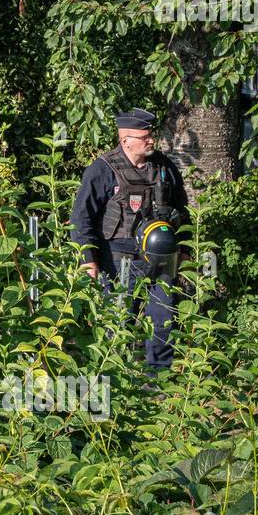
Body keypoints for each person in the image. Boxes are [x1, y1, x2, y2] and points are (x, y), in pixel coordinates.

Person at [69, 108, 190, 374]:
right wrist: (88, 260)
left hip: (162, 256)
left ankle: (160, 379)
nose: (151, 141)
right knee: (120, 320)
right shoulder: (103, 169)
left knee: (164, 318)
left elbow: (182, 211)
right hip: (118, 256)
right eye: (145, 136)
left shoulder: (164, 167)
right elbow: (81, 218)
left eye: (151, 135)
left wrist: (186, 250)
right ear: (126, 140)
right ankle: (115, 376)